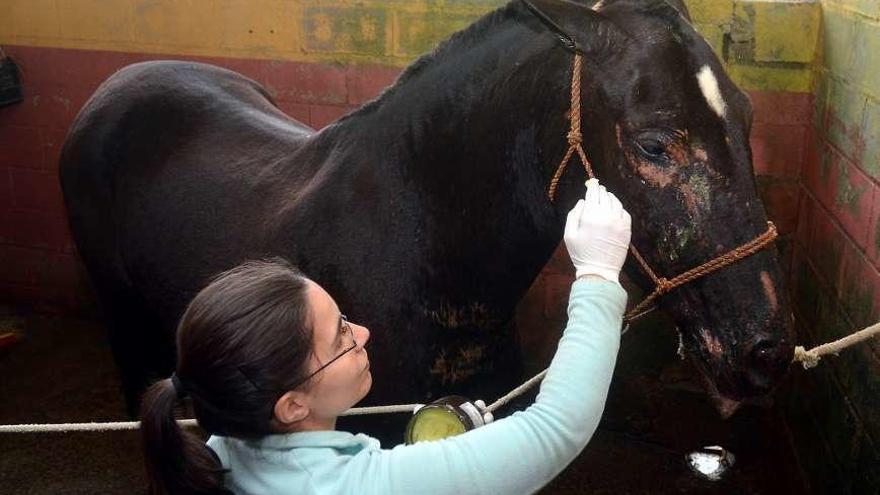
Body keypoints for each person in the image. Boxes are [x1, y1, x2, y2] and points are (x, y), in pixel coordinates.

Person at [140, 178, 632, 495]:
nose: (364, 333)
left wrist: (434, 459)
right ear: (291, 406)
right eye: (341, 338)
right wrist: (598, 274)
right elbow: (557, 427)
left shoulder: (222, 446)